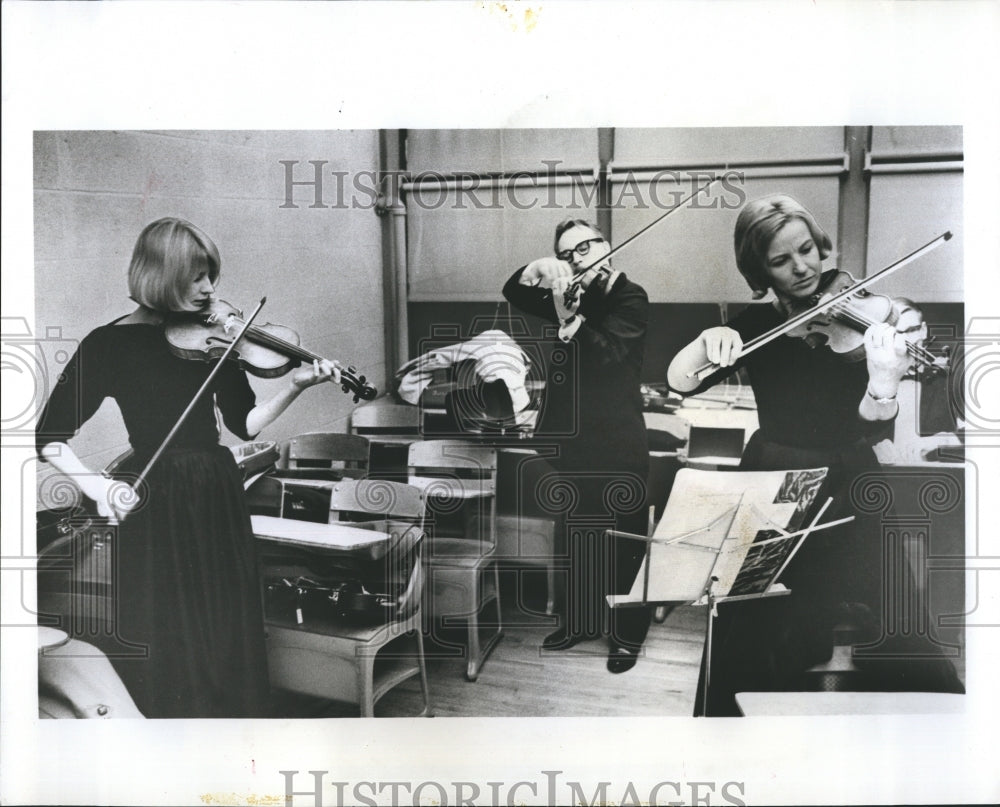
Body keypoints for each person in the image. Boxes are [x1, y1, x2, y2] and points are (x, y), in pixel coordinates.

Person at [667, 194, 963, 714]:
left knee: (900, 617)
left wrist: (884, 383)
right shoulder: (749, 327)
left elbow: (874, 426)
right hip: (773, 483)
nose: (802, 267)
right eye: (781, 261)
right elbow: (680, 380)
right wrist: (707, 339)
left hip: (850, 476)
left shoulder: (865, 321)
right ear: (759, 269)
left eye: (806, 249)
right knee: (747, 622)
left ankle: (929, 736)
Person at [35, 217, 341, 717]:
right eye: (195, 276)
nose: (209, 289)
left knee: (226, 616)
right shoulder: (107, 344)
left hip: (216, 487)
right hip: (155, 494)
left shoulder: (215, 340)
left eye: (211, 275)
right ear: (159, 274)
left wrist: (295, 385)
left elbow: (245, 426)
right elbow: (47, 437)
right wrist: (100, 489)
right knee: (164, 620)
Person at [503, 219, 652, 674]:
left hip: (619, 441)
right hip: (575, 441)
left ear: (608, 248)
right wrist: (540, 267)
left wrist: (570, 320)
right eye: (568, 253)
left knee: (625, 542)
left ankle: (627, 637)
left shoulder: (632, 297)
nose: (579, 257)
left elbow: (609, 355)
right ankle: (580, 622)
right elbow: (513, 289)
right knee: (577, 535)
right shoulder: (567, 294)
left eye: (587, 247)